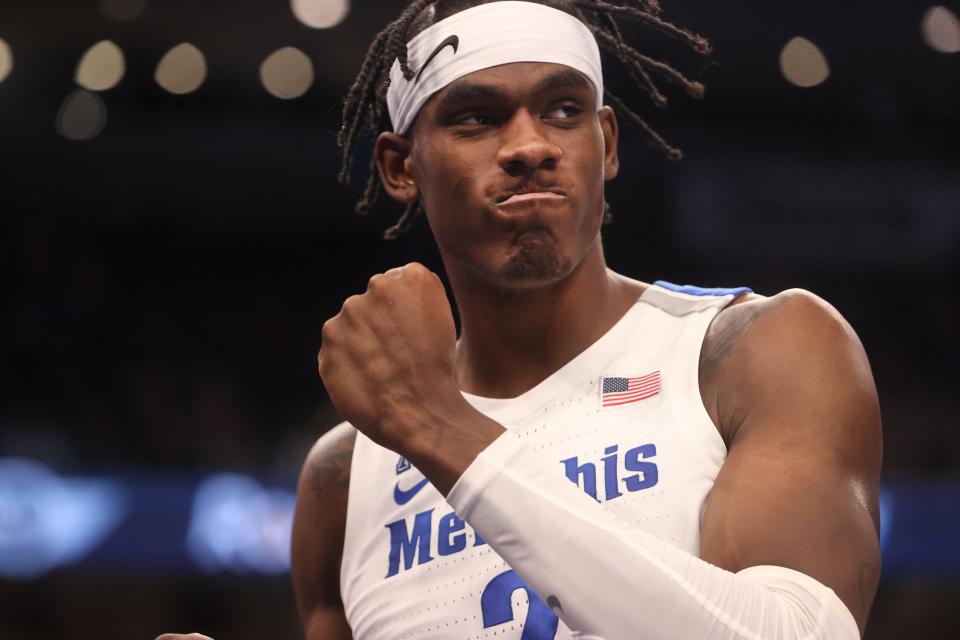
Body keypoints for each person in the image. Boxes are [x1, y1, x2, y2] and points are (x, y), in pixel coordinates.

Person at [161, 1, 882, 638]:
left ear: (608, 142)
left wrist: (440, 426)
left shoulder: (755, 353)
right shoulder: (344, 478)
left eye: (564, 111)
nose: (531, 146)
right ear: (400, 167)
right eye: (476, 117)